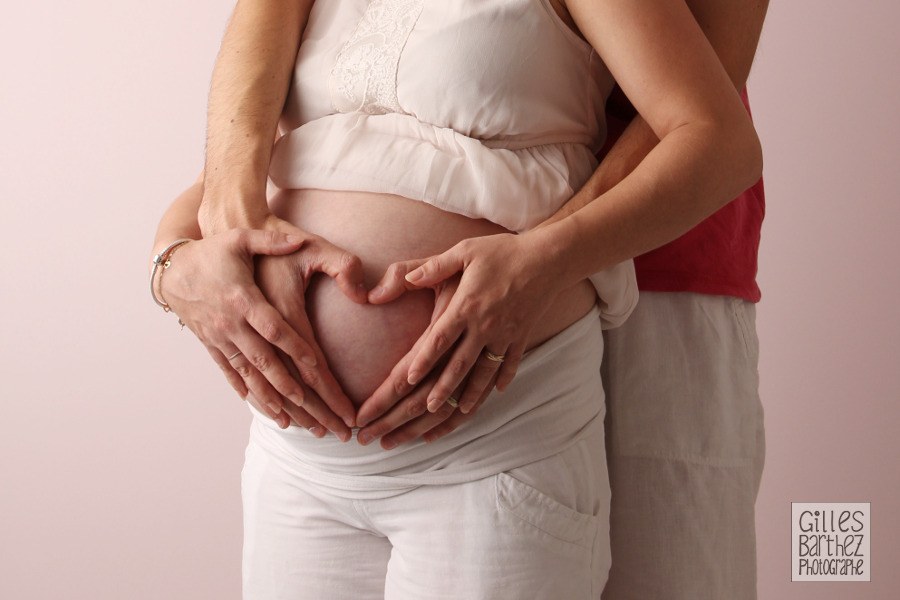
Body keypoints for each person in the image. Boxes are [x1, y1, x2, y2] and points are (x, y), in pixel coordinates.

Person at [150, 0, 762, 598]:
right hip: (298, 462)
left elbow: (707, 126)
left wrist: (544, 261)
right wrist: (170, 265)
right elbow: (244, 173)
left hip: (496, 436)